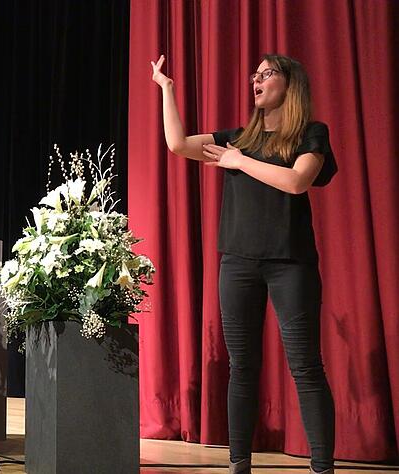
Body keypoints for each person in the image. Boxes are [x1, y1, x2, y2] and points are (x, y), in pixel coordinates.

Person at [151, 54, 337, 474]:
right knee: (242, 367)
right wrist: (167, 89)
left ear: (289, 84)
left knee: (306, 366)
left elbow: (296, 181)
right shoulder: (236, 138)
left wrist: (239, 161)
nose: (257, 79)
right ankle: (239, 465)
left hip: (291, 264)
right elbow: (177, 144)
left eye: (267, 73)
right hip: (238, 264)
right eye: (255, 74)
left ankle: (323, 467)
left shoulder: (310, 133)